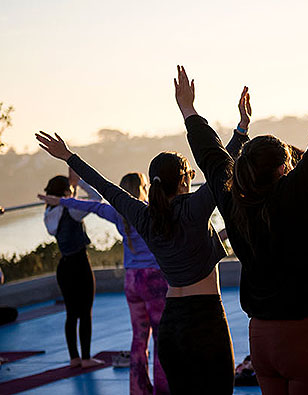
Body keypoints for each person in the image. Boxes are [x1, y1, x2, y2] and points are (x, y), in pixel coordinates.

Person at [178, 33, 308, 394]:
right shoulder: (296, 196)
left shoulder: (232, 197)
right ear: (283, 170)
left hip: (264, 340)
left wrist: (189, 111)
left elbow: (211, 156)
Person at [35, 94, 250, 393]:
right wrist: (240, 130)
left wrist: (69, 157)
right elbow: (220, 170)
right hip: (206, 319)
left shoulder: (144, 216)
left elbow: (106, 188)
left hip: (172, 323)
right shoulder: (194, 208)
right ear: (185, 181)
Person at [38, 172, 169, 395]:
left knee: (138, 338)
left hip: (131, 280)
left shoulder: (118, 212)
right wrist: (75, 186)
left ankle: (138, 390)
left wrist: (61, 200)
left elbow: (93, 207)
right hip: (153, 280)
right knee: (160, 336)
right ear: (142, 189)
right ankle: (163, 389)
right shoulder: (151, 210)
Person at [41, 170, 104, 369]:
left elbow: (65, 207)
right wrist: (80, 182)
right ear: (66, 193)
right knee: (86, 313)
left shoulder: (49, 214)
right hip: (80, 265)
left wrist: (72, 188)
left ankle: (74, 357)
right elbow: (96, 199)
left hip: (64, 267)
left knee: (71, 314)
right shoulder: (72, 210)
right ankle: (86, 358)